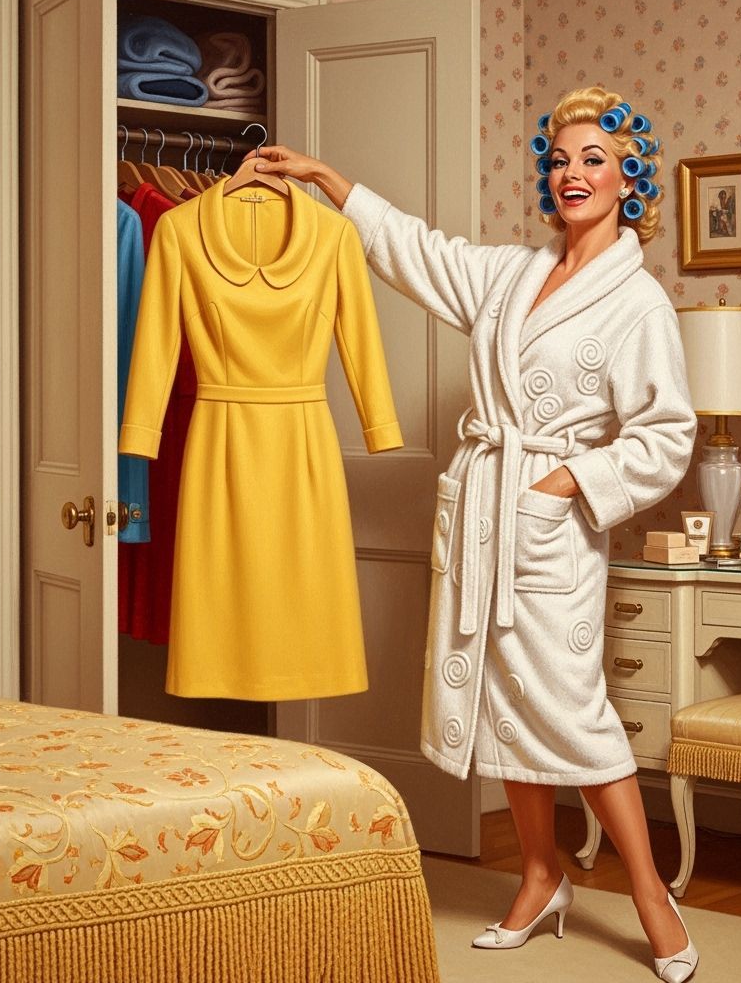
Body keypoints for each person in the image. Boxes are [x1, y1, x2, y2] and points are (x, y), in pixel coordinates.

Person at [250, 86, 699, 982]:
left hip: (549, 526)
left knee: (573, 713)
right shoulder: (513, 274)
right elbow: (416, 250)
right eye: (561, 159)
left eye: (594, 160)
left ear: (628, 177)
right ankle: (541, 877)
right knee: (503, 700)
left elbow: (667, 433)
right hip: (484, 513)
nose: (573, 173)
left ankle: (651, 892)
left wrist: (565, 480)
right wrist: (326, 179)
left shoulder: (637, 303)